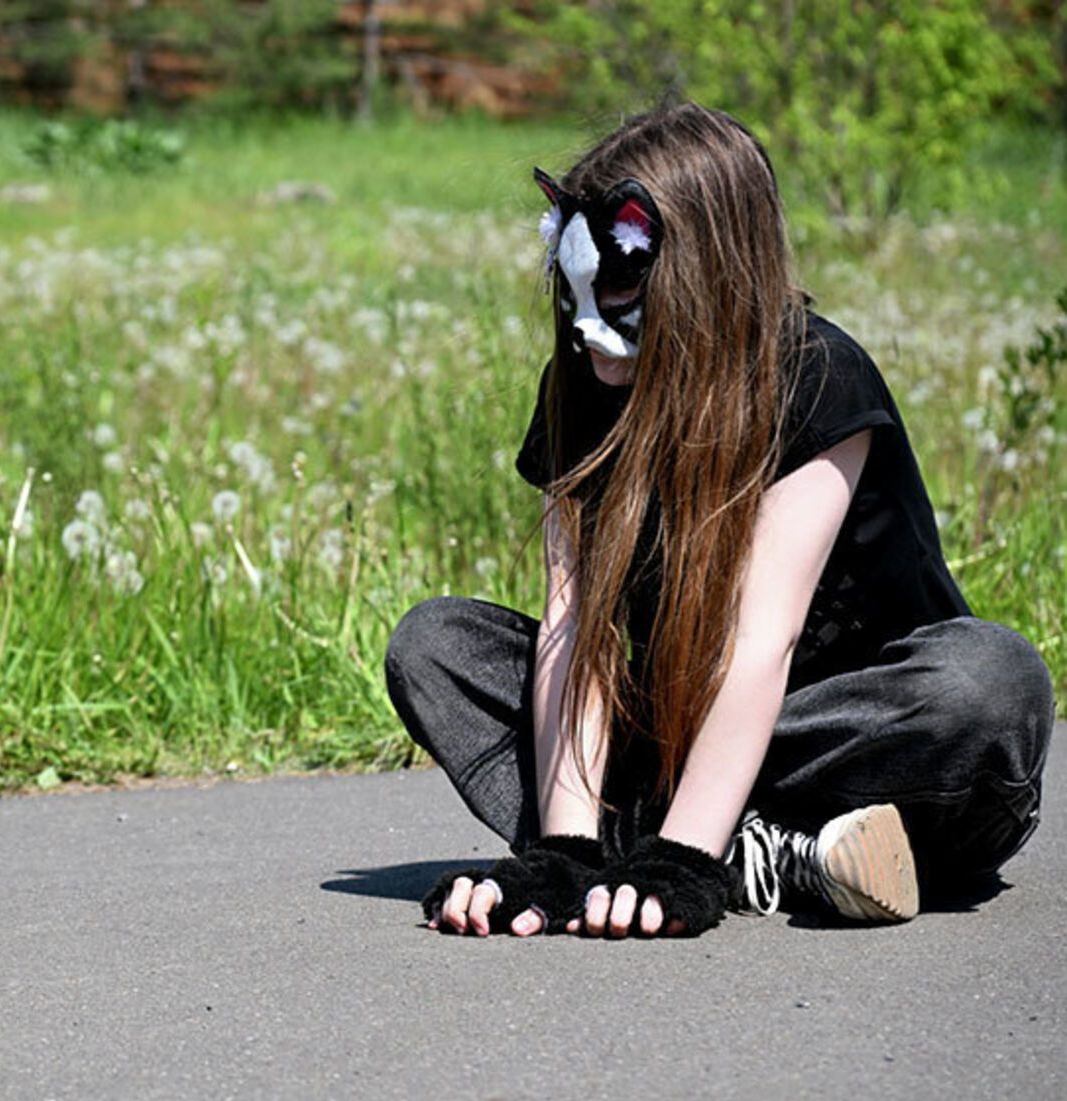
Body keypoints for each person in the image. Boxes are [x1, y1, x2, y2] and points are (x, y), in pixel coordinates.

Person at [383, 103, 1053, 938]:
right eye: (572, 285)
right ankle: (763, 854)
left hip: (866, 753)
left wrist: (681, 861)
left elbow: (757, 640)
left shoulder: (815, 377)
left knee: (989, 679)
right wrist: (561, 853)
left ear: (702, 274)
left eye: (620, 286)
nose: (588, 322)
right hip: (676, 736)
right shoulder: (589, 386)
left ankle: (702, 845)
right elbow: (574, 632)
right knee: (435, 644)